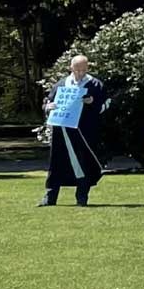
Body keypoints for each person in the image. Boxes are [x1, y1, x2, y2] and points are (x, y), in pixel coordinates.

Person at [40, 54, 109, 207]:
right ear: (71, 68)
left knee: (83, 163)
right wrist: (48, 108)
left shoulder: (95, 84)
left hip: (83, 132)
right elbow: (48, 102)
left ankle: (82, 196)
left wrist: (92, 102)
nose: (80, 73)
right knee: (57, 163)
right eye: (77, 70)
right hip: (62, 132)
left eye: (83, 70)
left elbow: (105, 105)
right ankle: (50, 196)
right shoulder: (62, 84)